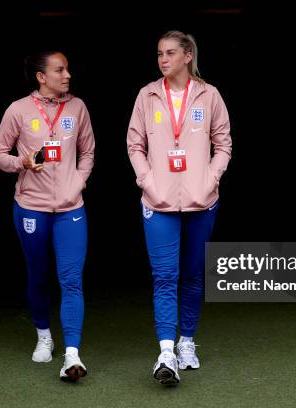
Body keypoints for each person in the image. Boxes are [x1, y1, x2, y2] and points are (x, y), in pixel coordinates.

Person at [127, 31, 232, 385]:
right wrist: (148, 182)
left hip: (202, 200)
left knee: (192, 275)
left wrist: (210, 178)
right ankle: (166, 350)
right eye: (159, 53)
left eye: (170, 53)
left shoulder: (209, 95)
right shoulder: (147, 95)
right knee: (164, 276)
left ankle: (187, 341)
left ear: (188, 56)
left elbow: (224, 143)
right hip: (158, 202)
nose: (163, 59)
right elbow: (134, 145)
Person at [0, 51, 95, 382]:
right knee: (38, 273)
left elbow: (88, 151)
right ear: (41, 76)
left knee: (71, 278)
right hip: (31, 207)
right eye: (59, 70)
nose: (67, 75)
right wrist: (20, 163)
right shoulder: (18, 110)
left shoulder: (77, 108)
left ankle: (72, 354)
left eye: (67, 69)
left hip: (70, 209)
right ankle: (43, 335)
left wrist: (77, 182)